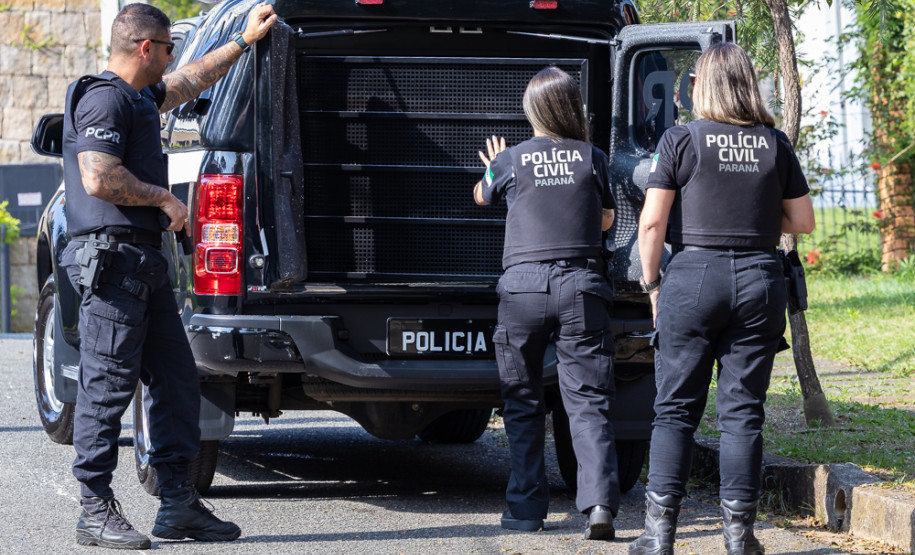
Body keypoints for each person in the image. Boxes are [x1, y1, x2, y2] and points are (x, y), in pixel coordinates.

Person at [59, 2, 276, 550]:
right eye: (167, 47)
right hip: (113, 265)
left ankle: (178, 505)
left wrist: (243, 41)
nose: (172, 57)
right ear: (144, 48)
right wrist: (164, 199)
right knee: (107, 387)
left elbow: (186, 81)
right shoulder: (104, 99)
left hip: (142, 266)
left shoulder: (137, 97)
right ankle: (94, 509)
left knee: (178, 382)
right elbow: (98, 177)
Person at [629, 42, 815, 555]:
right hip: (759, 281)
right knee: (743, 413)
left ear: (701, 86)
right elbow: (802, 221)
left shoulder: (680, 139)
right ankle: (740, 537)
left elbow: (652, 224)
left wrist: (651, 287)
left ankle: (659, 536)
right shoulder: (775, 143)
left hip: (693, 279)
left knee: (675, 410)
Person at [473, 66, 620, 540]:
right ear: (572, 108)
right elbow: (606, 220)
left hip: (523, 291)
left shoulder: (511, 159)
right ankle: (599, 505)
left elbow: (481, 196)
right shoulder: (593, 157)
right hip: (581, 287)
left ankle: (525, 511)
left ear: (532, 111)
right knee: (588, 401)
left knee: (522, 400)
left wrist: (493, 166)